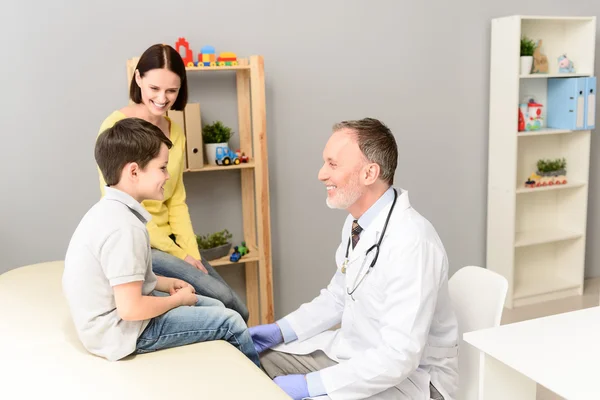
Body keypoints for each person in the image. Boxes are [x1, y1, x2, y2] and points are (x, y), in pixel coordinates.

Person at [248, 118, 459, 399]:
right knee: (258, 360)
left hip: (413, 380)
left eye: (333, 164)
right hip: (357, 357)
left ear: (369, 173)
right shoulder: (358, 223)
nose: (321, 174)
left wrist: (311, 386)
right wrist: (280, 331)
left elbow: (399, 356)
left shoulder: (413, 242)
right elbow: (338, 297)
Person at [62, 117, 259, 366]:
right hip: (119, 332)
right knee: (230, 322)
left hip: (114, 319)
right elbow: (130, 309)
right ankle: (266, 386)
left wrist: (167, 284)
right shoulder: (124, 228)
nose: (168, 176)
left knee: (216, 303)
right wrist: (177, 300)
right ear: (134, 171)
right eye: (162, 168)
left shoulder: (111, 212)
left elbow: (126, 281)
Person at [96, 44, 249, 322]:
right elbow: (121, 205)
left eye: (171, 91)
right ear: (138, 78)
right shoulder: (116, 129)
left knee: (237, 305)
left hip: (173, 242)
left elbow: (176, 199)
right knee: (225, 302)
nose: (162, 98)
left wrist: (191, 253)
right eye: (154, 88)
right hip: (142, 242)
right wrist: (179, 254)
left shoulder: (175, 131)